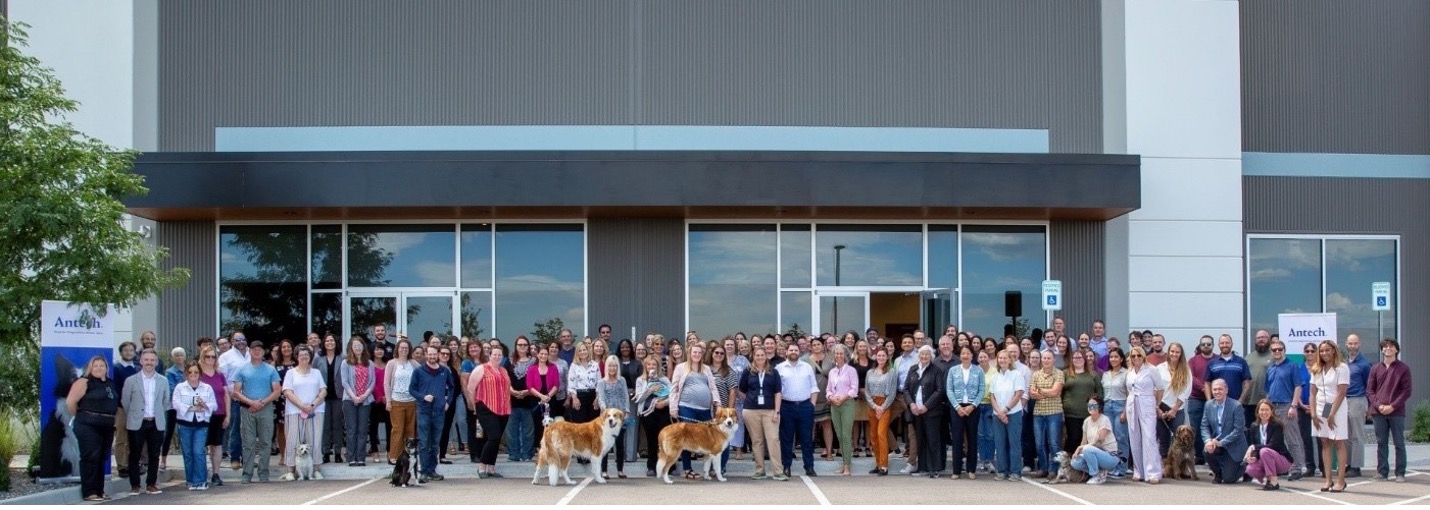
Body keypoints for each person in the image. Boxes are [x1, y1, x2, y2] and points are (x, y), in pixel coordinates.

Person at [69, 355, 119, 501]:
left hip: (107, 425)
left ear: (106, 368)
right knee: (90, 457)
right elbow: (71, 403)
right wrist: (82, 417)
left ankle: (100, 490)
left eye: (101, 366)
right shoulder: (84, 382)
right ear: (90, 368)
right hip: (87, 425)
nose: (98, 368)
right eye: (95, 366)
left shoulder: (110, 383)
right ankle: (90, 492)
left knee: (102, 458)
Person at [120, 350, 170, 496]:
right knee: (134, 454)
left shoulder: (163, 380)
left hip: (156, 422)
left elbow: (166, 401)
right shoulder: (131, 380)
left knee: (154, 454)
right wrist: (135, 414)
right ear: (141, 361)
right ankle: (135, 485)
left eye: (152, 360)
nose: (149, 362)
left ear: (156, 362)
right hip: (137, 422)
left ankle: (151, 484)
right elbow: (125, 401)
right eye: (146, 360)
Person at [231, 341, 281, 484]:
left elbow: (277, 391)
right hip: (247, 409)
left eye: (260, 349)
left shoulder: (270, 370)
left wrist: (262, 403)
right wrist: (251, 403)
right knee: (248, 443)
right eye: (254, 349)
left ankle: (263, 473)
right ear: (249, 351)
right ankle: (247, 474)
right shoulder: (242, 369)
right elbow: (236, 392)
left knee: (266, 442)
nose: (257, 351)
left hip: (265, 409)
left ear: (263, 351)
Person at [670, 340, 717, 479]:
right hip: (686, 407)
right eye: (694, 352)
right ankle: (687, 469)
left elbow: (713, 387)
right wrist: (673, 407)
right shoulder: (681, 367)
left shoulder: (706, 369)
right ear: (689, 354)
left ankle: (710, 468)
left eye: (699, 352)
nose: (696, 354)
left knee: (709, 438)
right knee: (687, 438)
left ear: (702, 354)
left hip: (705, 409)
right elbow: (674, 388)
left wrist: (717, 403)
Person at [1367, 338, 1411, 483]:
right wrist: (1378, 406)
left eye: (1391, 346)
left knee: (1399, 443)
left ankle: (1400, 473)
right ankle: (1382, 472)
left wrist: (1392, 406)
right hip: (1378, 412)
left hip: (1396, 412)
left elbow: (1406, 391)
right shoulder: (1375, 368)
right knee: (1381, 443)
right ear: (1382, 350)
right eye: (1385, 347)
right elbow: (1370, 390)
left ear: (1396, 350)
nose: (1388, 349)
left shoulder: (1403, 368)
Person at [281, 345, 327, 481]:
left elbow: (323, 391)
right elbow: (287, 392)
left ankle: (316, 469)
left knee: (314, 440)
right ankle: (290, 470)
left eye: (307, 355)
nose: (304, 357)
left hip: (315, 411)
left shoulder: (316, 373)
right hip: (294, 411)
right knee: (292, 440)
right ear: (297, 357)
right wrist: (302, 406)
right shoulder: (290, 373)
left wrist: (312, 405)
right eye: (301, 355)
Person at [468, 342, 513, 479]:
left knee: (496, 438)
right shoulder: (481, 368)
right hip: (485, 406)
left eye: (500, 355)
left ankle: (491, 468)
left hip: (503, 408)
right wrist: (474, 406)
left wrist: (516, 393)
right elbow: (471, 388)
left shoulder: (504, 370)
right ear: (490, 355)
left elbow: (507, 388)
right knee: (493, 436)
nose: (497, 357)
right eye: (495, 354)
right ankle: (482, 467)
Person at [1309, 339, 1349, 493]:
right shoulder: (1317, 368)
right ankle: (1328, 480)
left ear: (1334, 351)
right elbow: (1312, 393)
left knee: (1338, 442)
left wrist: (1332, 413)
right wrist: (1313, 413)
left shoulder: (1342, 368)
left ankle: (1341, 480)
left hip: (1337, 408)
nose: (1324, 353)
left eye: (1327, 350)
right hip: (1321, 407)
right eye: (1322, 350)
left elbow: (1342, 392)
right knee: (1325, 442)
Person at [1263, 338, 1307, 481]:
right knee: (1276, 439)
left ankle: (1297, 467)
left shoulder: (1292, 366)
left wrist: (1294, 405)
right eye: (1274, 350)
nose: (1277, 352)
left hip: (1286, 406)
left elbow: (1298, 386)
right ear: (1271, 352)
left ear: (1284, 351)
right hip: (1273, 407)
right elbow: (1267, 389)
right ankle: (1282, 466)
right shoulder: (1270, 368)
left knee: (1292, 438)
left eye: (1280, 350)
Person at [740, 345, 785, 480]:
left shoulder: (773, 372)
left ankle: (777, 471)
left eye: (762, 355)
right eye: (757, 355)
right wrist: (750, 399)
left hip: (770, 410)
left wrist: (777, 411)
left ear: (766, 356)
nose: (759, 357)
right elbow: (741, 390)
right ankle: (760, 470)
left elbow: (778, 392)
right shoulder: (748, 371)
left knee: (773, 439)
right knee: (756, 441)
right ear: (753, 356)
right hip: (751, 411)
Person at [410, 345, 454, 482]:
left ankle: (432, 470)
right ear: (425, 355)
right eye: (430, 354)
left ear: (438, 355)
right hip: (424, 410)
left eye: (435, 354)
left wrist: (447, 402)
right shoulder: (418, 371)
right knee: (424, 443)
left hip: (439, 411)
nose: (432, 357)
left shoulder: (444, 371)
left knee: (435, 443)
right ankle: (423, 472)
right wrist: (423, 397)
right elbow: (411, 389)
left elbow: (452, 387)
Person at [777, 342, 819, 478]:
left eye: (795, 349)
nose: (793, 351)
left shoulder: (807, 367)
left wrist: (812, 404)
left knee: (806, 439)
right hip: (786, 406)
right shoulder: (779, 368)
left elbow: (814, 387)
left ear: (799, 352)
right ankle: (786, 466)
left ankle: (809, 467)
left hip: (805, 406)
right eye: (791, 350)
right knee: (786, 439)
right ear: (786, 352)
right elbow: (777, 390)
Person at [1124, 346, 1164, 484]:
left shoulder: (1151, 369)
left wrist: (1156, 404)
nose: (1136, 358)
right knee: (1134, 437)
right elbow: (1128, 389)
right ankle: (1138, 470)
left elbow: (1160, 388)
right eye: (1133, 356)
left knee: (1149, 437)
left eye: (1138, 355)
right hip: (1132, 402)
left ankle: (1153, 472)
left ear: (1143, 356)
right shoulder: (1129, 371)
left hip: (1146, 401)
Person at [172, 361, 215, 490]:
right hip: (184, 425)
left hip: (201, 425)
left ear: (200, 373)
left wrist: (204, 405)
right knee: (188, 453)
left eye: (196, 372)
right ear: (186, 373)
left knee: (198, 452)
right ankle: (190, 480)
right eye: (190, 372)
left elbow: (213, 405)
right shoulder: (180, 387)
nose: (193, 374)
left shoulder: (207, 388)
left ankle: (201, 480)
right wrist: (191, 408)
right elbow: (176, 404)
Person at [945, 344, 985, 479]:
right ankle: (956, 470)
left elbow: (982, 390)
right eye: (963, 353)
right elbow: (949, 389)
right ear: (960, 356)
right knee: (957, 439)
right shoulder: (953, 370)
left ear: (972, 356)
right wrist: (957, 407)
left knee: (972, 439)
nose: (965, 356)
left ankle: (971, 469)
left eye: (968, 353)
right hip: (957, 408)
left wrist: (972, 406)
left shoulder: (978, 371)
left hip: (973, 408)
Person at [988, 349, 1026, 481]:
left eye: (1005, 358)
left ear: (1010, 360)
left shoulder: (1017, 374)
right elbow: (992, 396)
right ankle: (1002, 470)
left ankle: (1015, 471)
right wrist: (999, 412)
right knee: (1000, 443)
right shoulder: (995, 376)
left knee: (1014, 442)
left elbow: (1018, 394)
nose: (1002, 360)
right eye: (1000, 358)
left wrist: (1006, 410)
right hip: (997, 415)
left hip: (1013, 413)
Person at [1201, 379, 1247, 485]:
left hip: (1234, 445)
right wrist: (1208, 440)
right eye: (1215, 389)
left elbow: (1238, 430)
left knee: (1229, 479)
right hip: (1217, 442)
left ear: (1226, 390)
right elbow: (1204, 426)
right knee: (1207, 450)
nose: (1217, 392)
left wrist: (1221, 443)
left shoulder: (1236, 406)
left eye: (1220, 389)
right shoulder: (1208, 405)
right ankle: (1218, 474)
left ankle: (1245, 467)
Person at [196, 345, 230, 486]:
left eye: (213, 356)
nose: (210, 359)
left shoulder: (219, 374)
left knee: (217, 445)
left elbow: (226, 395)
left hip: (219, 413)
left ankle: (216, 474)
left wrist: (228, 415)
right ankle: (200, 473)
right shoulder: (197, 374)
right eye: (207, 356)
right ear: (202, 358)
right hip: (202, 415)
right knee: (201, 445)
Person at [339, 336, 376, 467]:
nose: (357, 348)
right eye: (355, 346)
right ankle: (351, 457)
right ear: (351, 348)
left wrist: (364, 396)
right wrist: (354, 396)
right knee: (351, 429)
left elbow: (372, 382)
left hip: (365, 400)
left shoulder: (370, 363)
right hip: (350, 400)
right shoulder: (346, 363)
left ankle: (361, 458)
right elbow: (344, 382)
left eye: (360, 345)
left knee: (362, 429)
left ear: (363, 347)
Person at [1028, 350, 1064, 480]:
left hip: (1054, 412)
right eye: (1044, 358)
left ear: (1053, 360)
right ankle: (1043, 468)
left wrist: (1040, 391)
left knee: (1054, 442)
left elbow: (1055, 392)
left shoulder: (1059, 374)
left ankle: (1054, 469)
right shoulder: (1036, 374)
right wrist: (1046, 392)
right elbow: (1032, 394)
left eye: (1049, 358)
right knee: (1039, 443)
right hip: (1038, 413)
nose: (1046, 360)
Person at [635, 355, 672, 478]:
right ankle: (651, 466)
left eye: (654, 365)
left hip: (663, 411)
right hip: (647, 412)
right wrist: (650, 389)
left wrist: (664, 403)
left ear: (658, 366)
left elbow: (672, 394)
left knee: (665, 439)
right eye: (649, 364)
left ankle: (669, 465)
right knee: (651, 439)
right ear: (645, 366)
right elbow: (639, 398)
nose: (651, 367)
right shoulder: (640, 380)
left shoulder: (664, 379)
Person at [1070, 395, 1120, 485]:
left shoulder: (1104, 420)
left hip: (1109, 456)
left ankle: (1096, 475)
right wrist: (1079, 453)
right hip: (1093, 452)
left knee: (1087, 449)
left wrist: (1080, 448)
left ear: (1100, 407)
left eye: (1094, 405)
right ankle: (1100, 471)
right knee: (1075, 462)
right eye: (1089, 405)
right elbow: (1084, 441)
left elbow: (1099, 440)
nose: (1091, 407)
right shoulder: (1086, 421)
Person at [1245, 399, 1293, 490]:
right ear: (1258, 412)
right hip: (1265, 458)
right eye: (1261, 410)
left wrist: (1254, 447)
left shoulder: (1277, 425)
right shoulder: (1254, 426)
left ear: (1271, 411)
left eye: (1267, 410)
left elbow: (1274, 445)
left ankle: (1273, 482)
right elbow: (1254, 444)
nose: (1264, 412)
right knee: (1250, 469)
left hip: (1282, 460)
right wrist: (1254, 456)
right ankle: (1268, 478)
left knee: (1264, 451)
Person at [1342, 334, 1372, 478]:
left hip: (1358, 400)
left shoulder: (1364, 364)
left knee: (1357, 435)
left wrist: (1369, 406)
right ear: (1346, 344)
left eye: (1355, 343)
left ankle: (1356, 466)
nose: (1352, 346)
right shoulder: (1344, 362)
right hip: (1344, 401)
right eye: (1350, 343)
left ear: (1359, 344)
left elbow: (1369, 386)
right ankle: (1349, 463)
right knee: (1346, 436)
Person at [825, 344, 858, 476]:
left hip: (847, 404)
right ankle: (843, 463)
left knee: (845, 435)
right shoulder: (832, 372)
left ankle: (847, 466)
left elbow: (854, 388)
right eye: (836, 354)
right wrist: (831, 397)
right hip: (834, 405)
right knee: (839, 435)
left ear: (845, 355)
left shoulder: (851, 370)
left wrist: (842, 398)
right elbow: (828, 389)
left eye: (841, 354)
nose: (838, 356)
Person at [218, 332, 250, 469]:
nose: (241, 342)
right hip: (235, 397)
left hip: (251, 398)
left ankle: (247, 459)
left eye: (243, 339)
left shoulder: (251, 354)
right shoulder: (226, 357)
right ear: (232, 341)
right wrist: (228, 392)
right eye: (238, 339)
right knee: (235, 429)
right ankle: (235, 458)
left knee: (249, 431)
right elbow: (221, 377)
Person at [1061, 348, 1101, 454]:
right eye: (1075, 357)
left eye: (1080, 357)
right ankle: (1067, 463)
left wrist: (1098, 410)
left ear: (1085, 359)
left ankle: (1081, 466)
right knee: (1073, 438)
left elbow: (1099, 393)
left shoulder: (1093, 374)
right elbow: (1060, 393)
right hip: (1071, 413)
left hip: (1089, 414)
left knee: (1087, 440)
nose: (1077, 359)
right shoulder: (1065, 373)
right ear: (1071, 359)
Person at [596, 355, 631, 479]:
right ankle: (604, 471)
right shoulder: (601, 382)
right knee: (605, 444)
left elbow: (625, 396)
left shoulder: (622, 380)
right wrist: (605, 411)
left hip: (619, 417)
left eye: (615, 366)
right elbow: (601, 398)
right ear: (607, 367)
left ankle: (620, 470)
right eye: (610, 366)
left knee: (619, 443)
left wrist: (626, 411)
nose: (612, 368)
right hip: (607, 417)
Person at [384, 339, 418, 465]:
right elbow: (386, 383)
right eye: (402, 348)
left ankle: (407, 455)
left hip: (411, 401)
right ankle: (394, 456)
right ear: (397, 349)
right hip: (396, 401)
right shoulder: (392, 363)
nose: (404, 350)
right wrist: (388, 400)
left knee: (410, 430)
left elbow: (421, 375)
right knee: (397, 429)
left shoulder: (413, 363)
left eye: (406, 348)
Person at [312, 334, 345, 464]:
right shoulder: (318, 359)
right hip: (323, 397)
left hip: (338, 396)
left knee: (337, 425)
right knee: (325, 426)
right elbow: (314, 376)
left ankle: (337, 452)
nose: (329, 342)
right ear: (323, 343)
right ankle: (325, 452)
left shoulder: (342, 358)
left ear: (336, 342)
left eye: (332, 340)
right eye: (327, 341)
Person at [1155, 342, 1191, 458]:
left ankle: (1180, 467)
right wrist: (1157, 409)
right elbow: (1154, 388)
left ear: (1181, 354)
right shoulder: (1160, 368)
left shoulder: (1186, 370)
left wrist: (1174, 409)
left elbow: (1186, 391)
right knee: (1163, 438)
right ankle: (1164, 467)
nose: (1174, 354)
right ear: (1168, 352)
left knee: (1179, 439)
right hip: (1161, 407)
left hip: (1177, 408)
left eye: (1177, 352)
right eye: (1172, 351)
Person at [709, 343, 741, 473]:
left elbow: (733, 391)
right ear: (711, 354)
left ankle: (721, 466)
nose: (719, 355)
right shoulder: (706, 369)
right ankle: (711, 467)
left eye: (722, 353)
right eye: (716, 352)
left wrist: (729, 411)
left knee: (723, 439)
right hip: (707, 410)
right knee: (710, 440)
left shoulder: (728, 371)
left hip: (723, 412)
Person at [526, 345, 563, 453]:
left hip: (550, 400)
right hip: (536, 400)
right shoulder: (532, 368)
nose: (543, 356)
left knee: (550, 425)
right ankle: (539, 449)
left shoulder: (553, 367)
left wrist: (548, 396)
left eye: (545, 354)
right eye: (541, 353)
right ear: (537, 355)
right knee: (537, 425)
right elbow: (529, 386)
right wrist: (541, 396)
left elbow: (556, 384)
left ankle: (550, 449)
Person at [110, 341, 139, 479]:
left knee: (135, 438)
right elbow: (115, 389)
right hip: (122, 408)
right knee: (122, 437)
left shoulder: (138, 368)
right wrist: (121, 404)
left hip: (137, 408)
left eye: (131, 350)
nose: (129, 353)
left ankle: (133, 463)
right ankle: (122, 466)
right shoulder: (116, 368)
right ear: (121, 352)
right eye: (126, 350)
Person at [1186, 335, 1215, 464]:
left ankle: (1212, 454)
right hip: (1196, 399)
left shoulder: (1218, 359)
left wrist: (1212, 390)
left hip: (1215, 399)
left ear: (1213, 345)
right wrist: (1204, 388)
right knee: (1195, 429)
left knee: (1214, 427)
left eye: (1209, 344)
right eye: (1203, 344)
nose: (1206, 346)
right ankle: (1199, 457)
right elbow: (1190, 377)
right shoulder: (1192, 360)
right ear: (1200, 346)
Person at [160, 347, 187, 472]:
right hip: (172, 406)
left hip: (187, 407)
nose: (179, 357)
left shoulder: (189, 370)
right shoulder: (170, 372)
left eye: (181, 355)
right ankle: (163, 459)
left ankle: (187, 460)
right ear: (172, 358)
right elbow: (172, 389)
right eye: (176, 355)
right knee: (169, 432)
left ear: (184, 357)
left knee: (186, 433)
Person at [567, 343, 601, 425]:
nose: (582, 352)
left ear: (588, 351)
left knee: (593, 426)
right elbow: (571, 384)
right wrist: (574, 399)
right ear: (577, 353)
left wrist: (597, 398)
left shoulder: (595, 365)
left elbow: (599, 383)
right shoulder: (574, 366)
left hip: (593, 398)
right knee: (579, 426)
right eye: (580, 350)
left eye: (584, 350)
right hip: (579, 397)